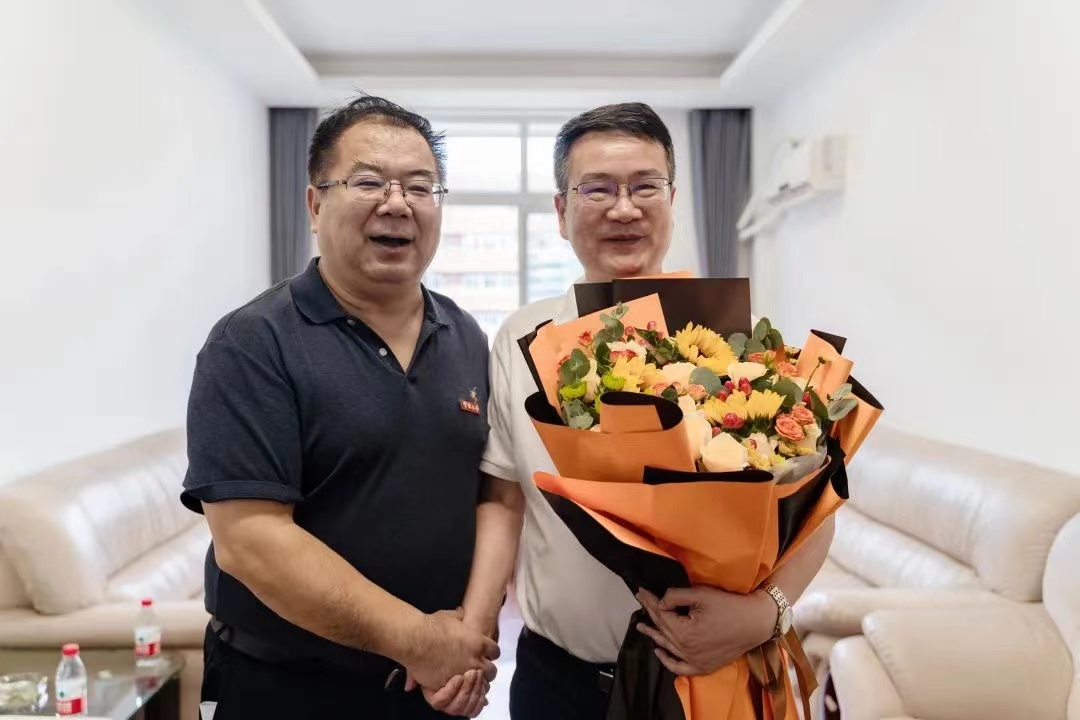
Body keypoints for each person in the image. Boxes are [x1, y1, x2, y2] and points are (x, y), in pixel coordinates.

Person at [471, 102, 837, 720]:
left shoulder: (738, 338)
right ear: (560, 212)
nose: (624, 209)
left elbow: (816, 509)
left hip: (706, 676)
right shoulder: (521, 338)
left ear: (673, 200)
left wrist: (764, 612)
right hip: (556, 677)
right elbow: (505, 499)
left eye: (645, 186)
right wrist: (477, 631)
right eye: (597, 189)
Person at [180, 95, 502, 719]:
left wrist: (467, 639)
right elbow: (250, 539)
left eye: (420, 187)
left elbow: (491, 491)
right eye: (368, 182)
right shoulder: (253, 342)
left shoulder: (465, 335)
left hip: (432, 690)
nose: (397, 203)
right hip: (286, 689)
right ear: (314, 204)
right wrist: (421, 641)